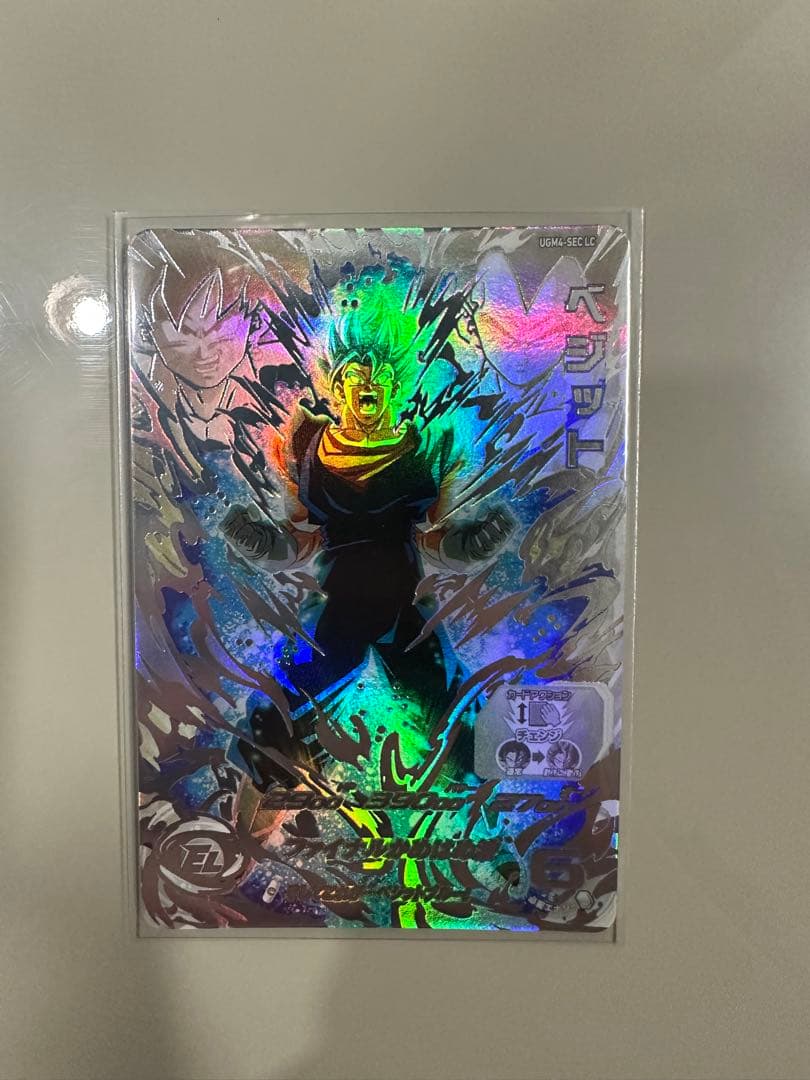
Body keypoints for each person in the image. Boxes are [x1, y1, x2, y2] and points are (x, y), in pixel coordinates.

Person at [223, 285, 514, 790]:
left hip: (404, 606)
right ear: (336, 385)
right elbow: (300, 540)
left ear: (394, 384)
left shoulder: (426, 449)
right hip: (336, 605)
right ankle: (260, 786)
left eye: (379, 374)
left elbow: (433, 538)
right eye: (355, 374)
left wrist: (475, 543)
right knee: (291, 689)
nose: (368, 383)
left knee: (446, 690)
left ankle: (480, 787)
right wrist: (256, 541)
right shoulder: (307, 445)